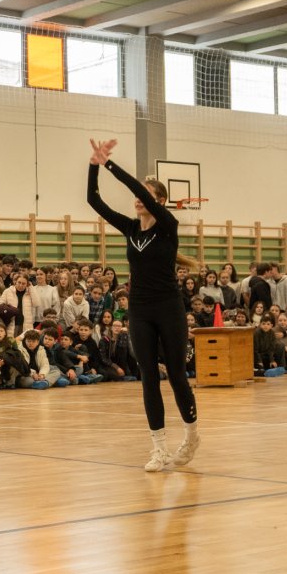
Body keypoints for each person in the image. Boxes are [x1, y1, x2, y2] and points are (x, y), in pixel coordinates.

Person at [86, 139, 199, 471]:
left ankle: (192, 436)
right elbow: (92, 199)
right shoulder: (131, 228)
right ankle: (159, 448)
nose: (137, 198)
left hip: (169, 309)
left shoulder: (168, 228)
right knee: (148, 376)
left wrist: (110, 164)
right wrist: (94, 165)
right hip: (140, 310)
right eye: (137, 195)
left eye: (145, 194)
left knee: (177, 375)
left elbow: (137, 187)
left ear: (160, 201)